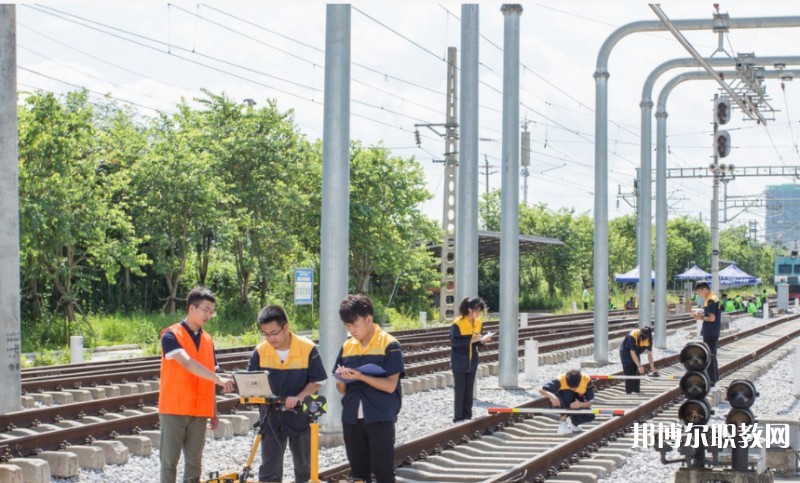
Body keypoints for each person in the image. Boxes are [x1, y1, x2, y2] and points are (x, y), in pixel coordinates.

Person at [159, 287, 234, 483]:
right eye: (206, 310)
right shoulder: (171, 335)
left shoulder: (208, 340)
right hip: (174, 408)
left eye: (212, 311)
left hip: (200, 411)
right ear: (192, 308)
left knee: (194, 463)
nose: (209, 315)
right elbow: (186, 362)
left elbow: (210, 373)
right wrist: (219, 381)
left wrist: (213, 409)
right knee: (169, 462)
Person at [246, 305, 327, 483]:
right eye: (265, 334)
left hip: (301, 414)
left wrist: (299, 397)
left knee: (304, 465)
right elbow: (250, 379)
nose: (270, 338)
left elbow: (318, 380)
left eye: (274, 333)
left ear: (286, 328)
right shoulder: (260, 351)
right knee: (269, 467)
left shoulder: (308, 348)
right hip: (270, 416)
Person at [334, 294, 405, 483]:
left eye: (354, 325)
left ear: (368, 319)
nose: (351, 330)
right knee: (357, 473)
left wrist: (361, 376)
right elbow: (341, 389)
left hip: (380, 415)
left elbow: (390, 386)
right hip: (351, 417)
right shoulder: (347, 346)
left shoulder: (390, 344)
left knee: (383, 471)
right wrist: (342, 378)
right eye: (347, 326)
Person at [450, 296, 492, 423]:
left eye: (480, 311)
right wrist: (472, 340)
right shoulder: (457, 323)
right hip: (459, 360)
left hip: (472, 360)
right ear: (469, 310)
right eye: (477, 311)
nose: (479, 314)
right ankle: (458, 417)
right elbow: (455, 342)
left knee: (469, 391)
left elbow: (476, 343)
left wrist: (483, 341)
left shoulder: (478, 323)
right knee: (460, 390)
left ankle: (467, 416)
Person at [539, 369, 595, 435]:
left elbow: (590, 401)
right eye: (570, 387)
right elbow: (541, 390)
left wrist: (580, 404)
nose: (573, 389)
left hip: (578, 403)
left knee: (590, 415)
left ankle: (572, 422)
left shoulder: (586, 379)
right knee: (568, 393)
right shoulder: (561, 379)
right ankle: (563, 422)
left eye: (575, 387)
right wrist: (551, 396)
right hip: (563, 402)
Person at [693, 281, 721, 386]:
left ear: (704, 289)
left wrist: (701, 317)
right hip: (712, 330)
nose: (699, 294)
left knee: (710, 355)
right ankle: (714, 378)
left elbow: (712, 317)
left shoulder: (711, 300)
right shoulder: (710, 298)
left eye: (699, 292)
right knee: (712, 355)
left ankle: (712, 380)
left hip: (711, 331)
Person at [618, 326, 658, 394]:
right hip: (626, 352)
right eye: (641, 336)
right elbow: (632, 353)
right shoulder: (632, 336)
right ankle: (629, 392)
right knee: (629, 372)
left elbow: (650, 355)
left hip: (636, 351)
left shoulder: (649, 340)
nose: (642, 338)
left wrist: (652, 367)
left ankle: (636, 390)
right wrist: (639, 365)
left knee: (636, 372)